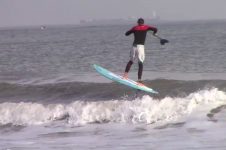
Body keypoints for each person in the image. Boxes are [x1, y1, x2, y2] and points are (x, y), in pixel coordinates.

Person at [123, 18, 158, 84]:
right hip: (140, 47)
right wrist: (154, 33)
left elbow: (126, 34)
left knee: (131, 61)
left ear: (137, 23)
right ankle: (139, 79)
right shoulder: (146, 27)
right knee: (140, 63)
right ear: (143, 23)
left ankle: (125, 75)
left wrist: (133, 30)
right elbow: (155, 29)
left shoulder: (135, 28)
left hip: (134, 46)